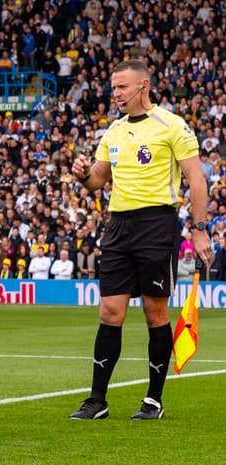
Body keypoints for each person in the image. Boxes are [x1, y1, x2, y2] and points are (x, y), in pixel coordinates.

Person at [69, 60, 213, 421]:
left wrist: (199, 229)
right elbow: (98, 181)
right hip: (118, 227)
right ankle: (97, 400)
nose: (114, 93)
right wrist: (84, 174)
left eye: (121, 87)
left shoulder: (172, 125)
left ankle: (153, 399)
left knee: (155, 313)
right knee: (109, 312)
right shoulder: (113, 131)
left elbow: (197, 180)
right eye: (113, 87)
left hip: (156, 225)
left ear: (143, 86)